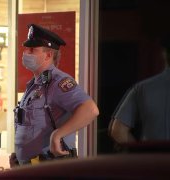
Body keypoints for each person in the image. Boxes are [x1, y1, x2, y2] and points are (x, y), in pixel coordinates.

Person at [11, 24, 99, 166]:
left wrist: (57, 135)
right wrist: (19, 157)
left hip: (51, 167)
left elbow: (90, 109)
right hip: (31, 167)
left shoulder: (58, 82)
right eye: (27, 48)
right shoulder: (34, 85)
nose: (26, 52)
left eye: (32, 49)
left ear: (48, 55)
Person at [109, 37, 170, 144]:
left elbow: (118, 130)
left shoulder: (142, 88)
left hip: (153, 159)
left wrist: (141, 154)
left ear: (164, 55)